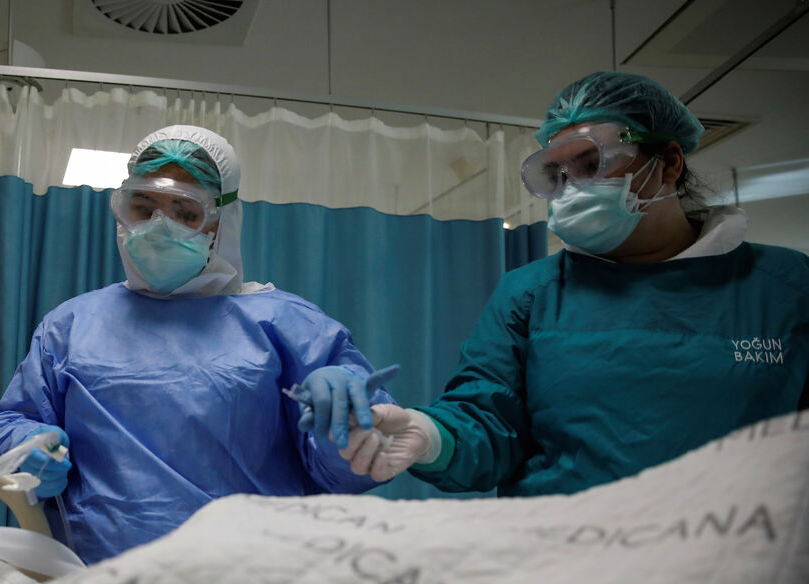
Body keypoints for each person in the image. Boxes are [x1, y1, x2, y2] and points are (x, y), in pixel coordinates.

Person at [338, 71, 809, 496]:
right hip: (568, 560)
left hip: (743, 556)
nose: (572, 188)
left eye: (591, 163)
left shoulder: (787, 287)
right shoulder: (529, 294)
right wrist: (431, 437)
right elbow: (489, 421)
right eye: (557, 175)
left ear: (668, 162)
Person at [0, 125, 391, 564]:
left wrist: (345, 427)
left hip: (249, 583)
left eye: (185, 212)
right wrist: (28, 448)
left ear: (221, 220)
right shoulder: (71, 325)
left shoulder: (291, 326)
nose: (160, 228)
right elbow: (10, 426)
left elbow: (356, 470)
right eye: (143, 208)